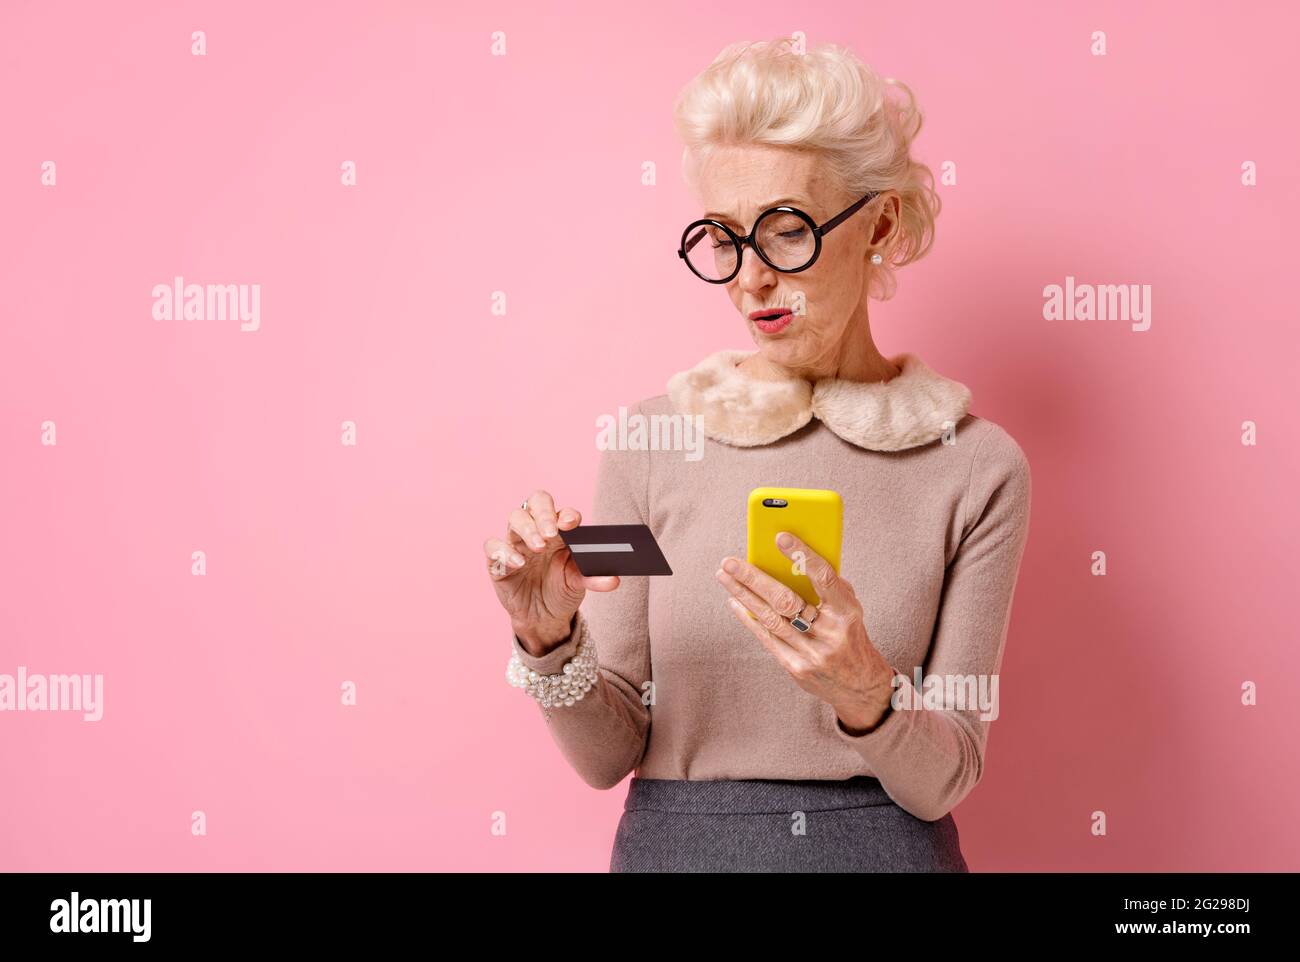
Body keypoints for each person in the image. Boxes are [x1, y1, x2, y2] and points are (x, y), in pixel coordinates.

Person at [483, 37, 1031, 872]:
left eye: (786, 231)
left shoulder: (977, 468)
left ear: (879, 222)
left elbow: (946, 775)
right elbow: (606, 753)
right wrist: (546, 637)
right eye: (724, 238)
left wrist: (865, 695)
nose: (749, 281)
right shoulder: (649, 444)